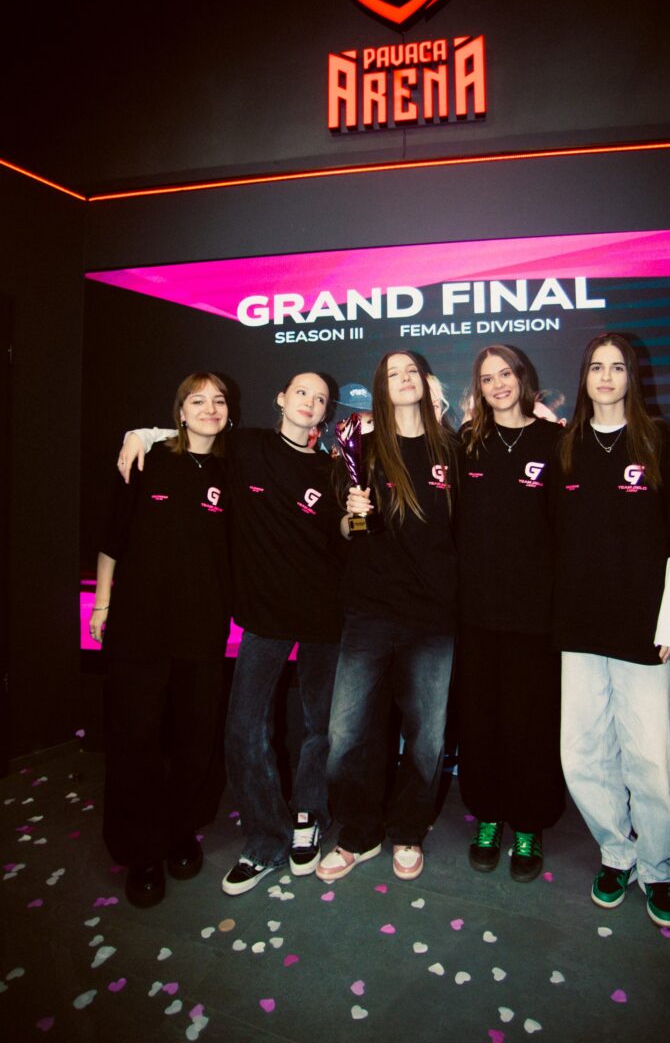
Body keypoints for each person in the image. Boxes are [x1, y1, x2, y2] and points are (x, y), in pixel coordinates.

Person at [117, 372, 344, 894]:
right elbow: (195, 429)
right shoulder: (247, 447)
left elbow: (342, 536)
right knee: (243, 731)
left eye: (320, 398)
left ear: (325, 412)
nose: (310, 402)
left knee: (321, 730)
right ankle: (267, 837)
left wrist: (354, 516)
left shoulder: (333, 469)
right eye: (302, 392)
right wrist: (141, 434)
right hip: (263, 617)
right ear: (281, 399)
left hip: (325, 617)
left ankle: (309, 817)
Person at [553, 333, 670, 929]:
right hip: (579, 626)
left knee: (652, 756)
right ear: (585, 377)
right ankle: (616, 853)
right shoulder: (566, 444)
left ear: (631, 377)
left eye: (617, 367)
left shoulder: (659, 439)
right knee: (583, 751)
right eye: (597, 366)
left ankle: (657, 866)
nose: (606, 376)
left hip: (646, 628)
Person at [317, 351, 459, 882]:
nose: (403, 378)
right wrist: (351, 517)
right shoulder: (359, 446)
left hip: (433, 616)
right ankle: (359, 833)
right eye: (391, 373)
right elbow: (339, 527)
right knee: (346, 735)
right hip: (369, 610)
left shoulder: (452, 449)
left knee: (426, 738)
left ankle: (408, 830)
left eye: (411, 371)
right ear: (380, 387)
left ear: (426, 381)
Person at [94, 373, 232, 908]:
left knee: (195, 739)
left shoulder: (234, 470)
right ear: (180, 411)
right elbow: (113, 536)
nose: (209, 408)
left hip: (203, 627)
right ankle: (141, 851)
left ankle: (180, 830)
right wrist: (102, 604)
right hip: (139, 625)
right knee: (135, 740)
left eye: (218, 400)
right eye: (198, 400)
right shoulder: (147, 459)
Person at [456, 346, 564, 881]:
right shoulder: (466, 443)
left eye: (505, 374)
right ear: (477, 389)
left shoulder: (554, 441)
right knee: (480, 723)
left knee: (530, 723)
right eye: (486, 378)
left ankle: (528, 823)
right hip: (473, 613)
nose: (497, 384)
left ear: (523, 378)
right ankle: (488, 816)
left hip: (534, 616)